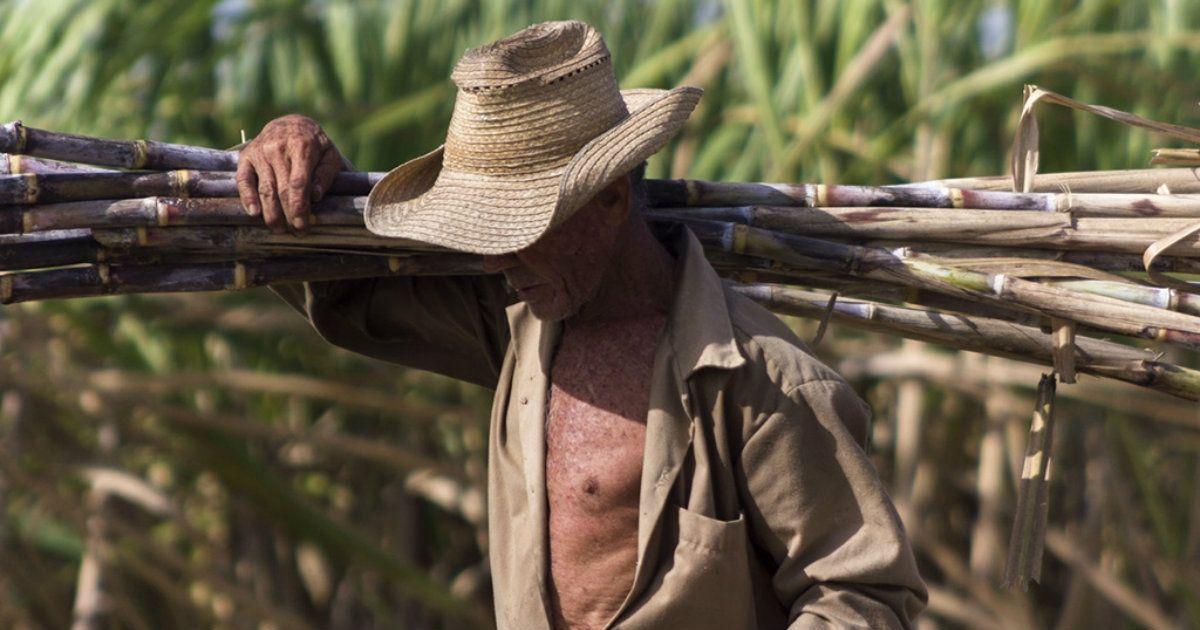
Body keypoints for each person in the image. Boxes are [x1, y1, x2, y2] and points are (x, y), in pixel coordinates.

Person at [237, 20, 926, 630]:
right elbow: (341, 292)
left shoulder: (759, 381)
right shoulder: (514, 327)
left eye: (520, 227)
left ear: (609, 199)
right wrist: (290, 150)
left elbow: (861, 592)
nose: (494, 255)